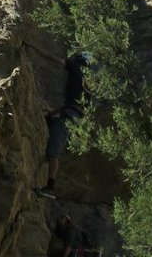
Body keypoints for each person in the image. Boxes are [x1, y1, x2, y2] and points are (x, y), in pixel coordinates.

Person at [37, 51, 90, 198]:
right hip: (75, 120)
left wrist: (33, 47)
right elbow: (73, 106)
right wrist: (52, 113)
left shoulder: (74, 67)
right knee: (52, 127)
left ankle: (50, 187)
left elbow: (54, 58)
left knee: (54, 152)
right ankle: (41, 165)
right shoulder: (86, 85)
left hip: (69, 117)